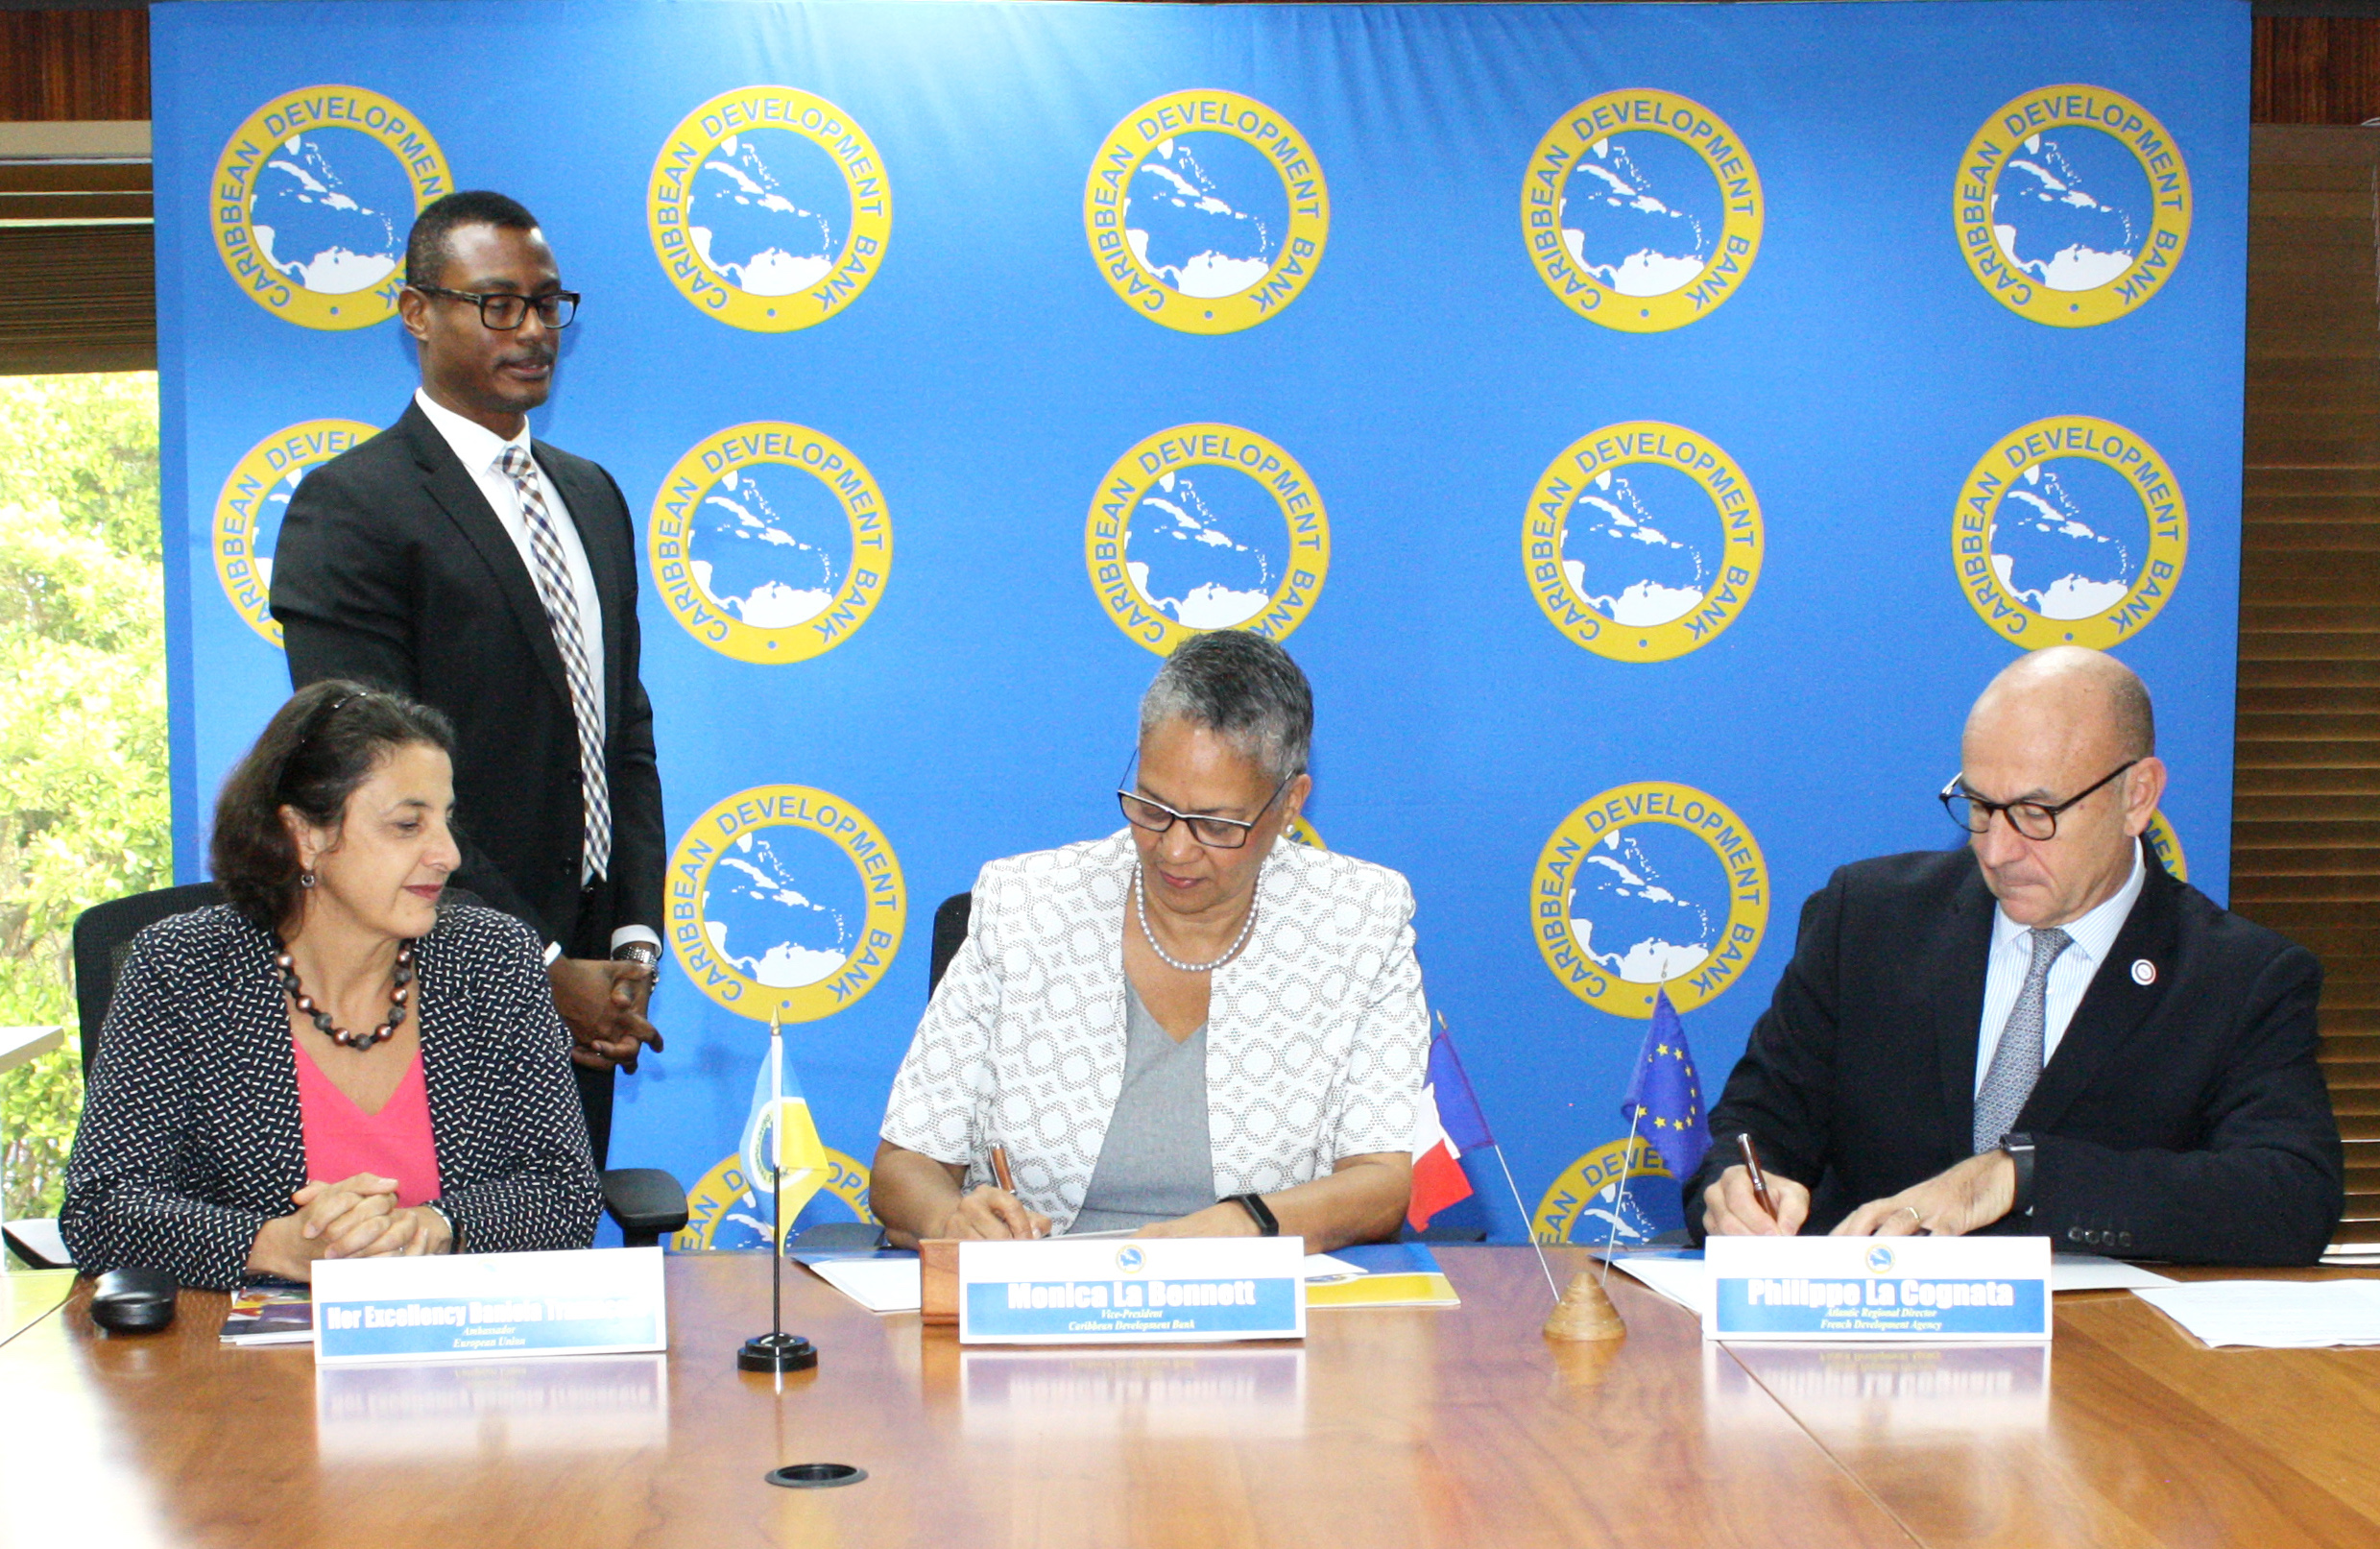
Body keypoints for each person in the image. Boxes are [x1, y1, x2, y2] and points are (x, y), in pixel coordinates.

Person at [1687, 647, 2343, 1265]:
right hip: (1869, 1354)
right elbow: (1753, 1126)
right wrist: (1735, 1194)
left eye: (2035, 812)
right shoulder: (1865, 919)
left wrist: (2021, 1174)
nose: (1996, 850)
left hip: (2102, 1362)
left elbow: (2290, 1196)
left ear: (2136, 796)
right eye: (1977, 805)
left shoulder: (2241, 977)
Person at [271, 190, 664, 1168]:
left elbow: (623, 731)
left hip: (588, 973)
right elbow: (369, 779)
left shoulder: (592, 495)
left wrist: (629, 944)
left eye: (547, 303)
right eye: (497, 304)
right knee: (445, 1276)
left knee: (554, 1264)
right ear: (416, 312)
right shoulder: (350, 506)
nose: (532, 330)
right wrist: (534, 964)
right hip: (424, 969)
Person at [872, 631, 1428, 1252]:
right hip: (1043, 1309)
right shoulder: (1023, 905)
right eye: (1152, 806)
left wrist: (1249, 1223)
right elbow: (903, 1169)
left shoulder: (1358, 920)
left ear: (1289, 803)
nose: (1174, 847)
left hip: (1257, 1305)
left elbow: (1381, 1181)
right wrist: (951, 1219)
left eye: (1217, 824)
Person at [61, 682, 602, 1289]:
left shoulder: (492, 956)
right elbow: (101, 1208)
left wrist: (430, 1229)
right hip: (238, 1366)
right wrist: (279, 1247)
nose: (447, 853)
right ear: (305, 835)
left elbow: (565, 1192)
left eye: (446, 820)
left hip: (462, 1355)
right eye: (407, 825)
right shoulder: (183, 968)